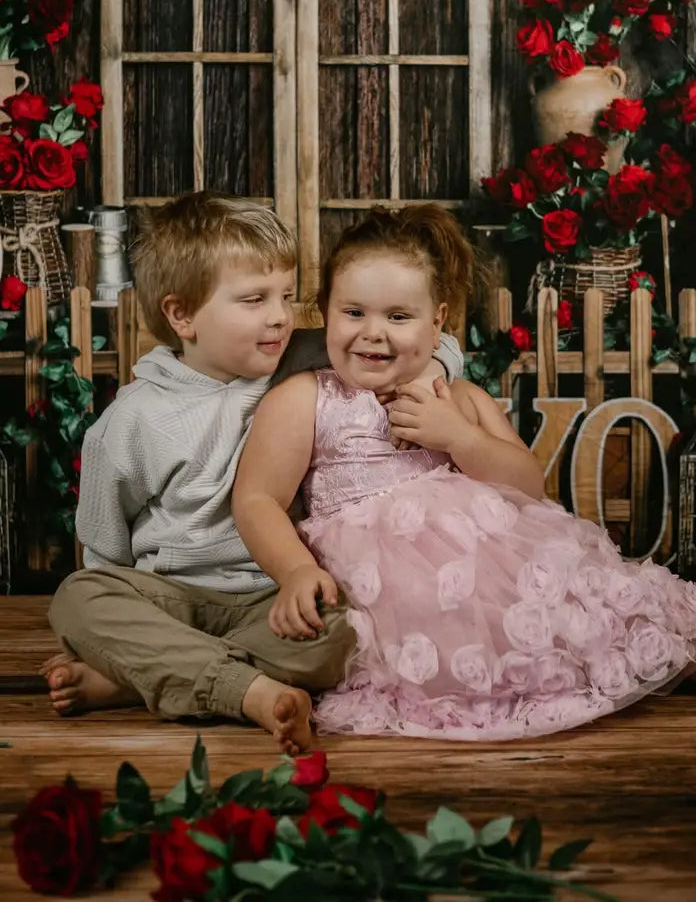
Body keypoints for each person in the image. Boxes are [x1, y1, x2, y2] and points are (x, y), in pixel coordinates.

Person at [233, 203, 696, 739]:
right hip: (390, 600)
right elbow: (257, 497)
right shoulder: (307, 399)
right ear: (326, 312)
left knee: (639, 606)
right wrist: (293, 572)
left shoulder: (456, 395)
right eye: (353, 312)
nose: (373, 332)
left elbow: (526, 487)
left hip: (503, 576)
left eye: (398, 315)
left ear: (437, 322)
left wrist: (458, 436)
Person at [43, 192, 463, 750]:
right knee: (77, 596)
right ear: (182, 314)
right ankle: (239, 686)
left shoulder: (295, 357)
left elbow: (429, 343)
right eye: (254, 299)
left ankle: (147, 676)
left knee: (350, 633)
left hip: (278, 598)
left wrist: (431, 371)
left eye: (286, 296)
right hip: (173, 596)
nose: (280, 316)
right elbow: (104, 543)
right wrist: (102, 634)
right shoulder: (131, 421)